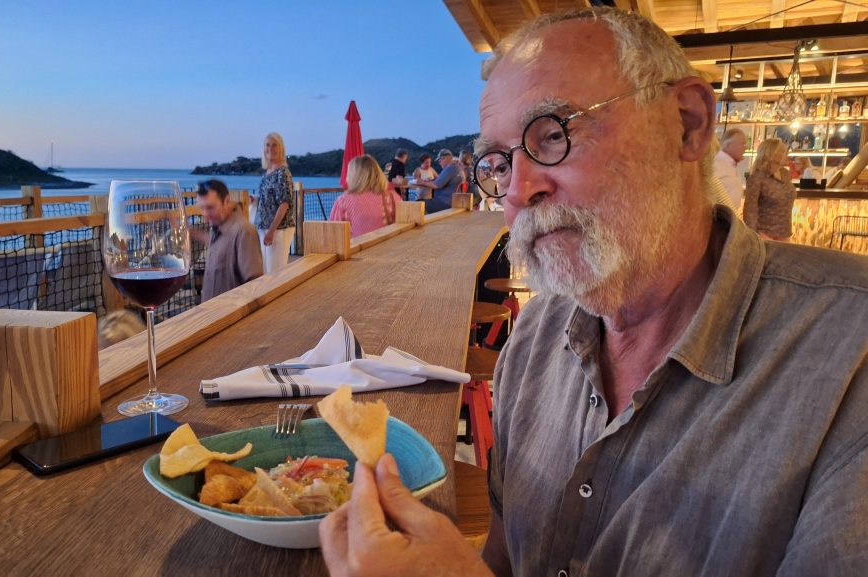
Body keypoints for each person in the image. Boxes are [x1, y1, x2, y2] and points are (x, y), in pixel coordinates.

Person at [320, 8, 868, 577]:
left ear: (686, 124)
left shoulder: (851, 358)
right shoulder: (532, 341)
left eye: (555, 134)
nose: (518, 192)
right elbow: (504, 561)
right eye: (500, 164)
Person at [191, 179, 262, 302]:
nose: (206, 216)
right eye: (202, 208)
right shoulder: (219, 226)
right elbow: (221, 245)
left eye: (210, 208)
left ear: (226, 201)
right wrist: (190, 232)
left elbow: (255, 285)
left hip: (229, 312)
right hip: (211, 311)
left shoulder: (244, 232)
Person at [329, 155, 403, 237]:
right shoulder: (392, 197)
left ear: (352, 175)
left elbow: (334, 234)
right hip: (387, 243)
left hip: (356, 245)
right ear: (378, 173)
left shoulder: (342, 202)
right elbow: (403, 226)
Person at [254, 132, 295, 274]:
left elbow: (284, 203)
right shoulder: (267, 173)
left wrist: (271, 231)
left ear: (281, 148)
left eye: (274, 145)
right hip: (264, 228)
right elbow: (267, 200)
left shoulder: (283, 173)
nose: (270, 148)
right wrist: (255, 200)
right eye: (267, 145)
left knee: (276, 273)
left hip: (279, 229)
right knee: (265, 272)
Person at [743, 138, 797, 241]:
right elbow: (750, 209)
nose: (786, 153)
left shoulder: (785, 173)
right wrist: (752, 235)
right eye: (782, 151)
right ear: (772, 153)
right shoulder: (757, 176)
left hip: (784, 232)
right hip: (764, 234)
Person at [416, 148, 465, 213]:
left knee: (416, 204)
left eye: (440, 160)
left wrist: (421, 182)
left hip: (445, 202)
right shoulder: (457, 167)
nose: (439, 162)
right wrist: (432, 180)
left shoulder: (450, 168)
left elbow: (436, 185)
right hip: (454, 201)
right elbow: (441, 180)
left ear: (445, 158)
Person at [713, 127, 746, 210]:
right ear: (727, 145)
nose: (745, 148)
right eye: (742, 144)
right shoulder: (717, 164)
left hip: (730, 214)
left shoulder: (731, 165)